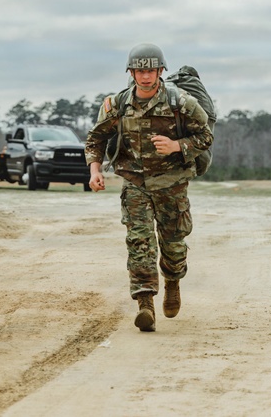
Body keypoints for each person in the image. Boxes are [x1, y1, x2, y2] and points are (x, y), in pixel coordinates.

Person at [85, 43, 213, 333]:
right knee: (139, 243)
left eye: (151, 70)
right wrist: (95, 170)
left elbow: (205, 136)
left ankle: (173, 281)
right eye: (140, 70)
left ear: (160, 71)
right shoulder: (117, 104)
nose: (145, 76)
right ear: (131, 72)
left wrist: (176, 146)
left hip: (172, 183)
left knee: (173, 244)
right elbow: (96, 138)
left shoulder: (181, 102)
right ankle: (145, 304)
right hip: (135, 183)